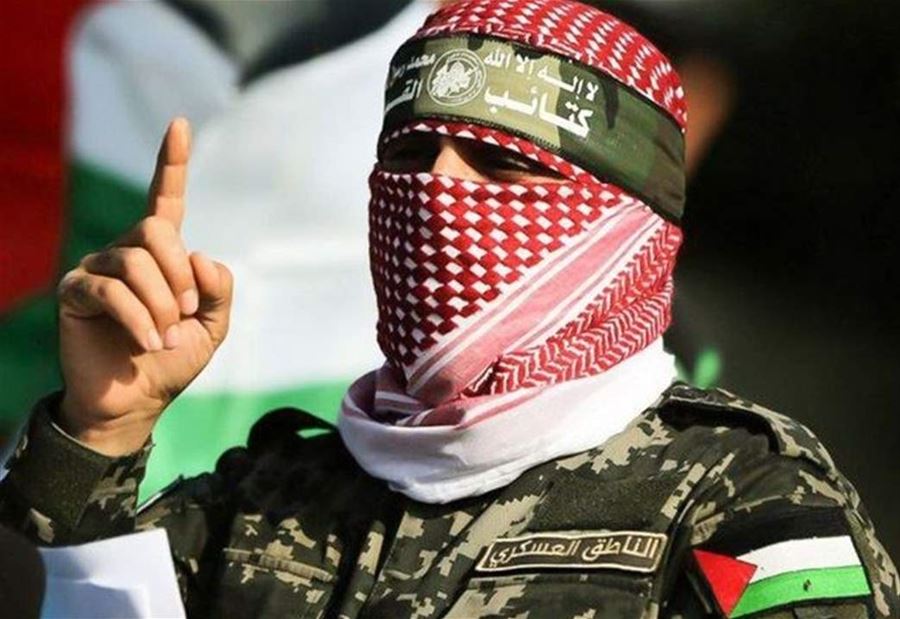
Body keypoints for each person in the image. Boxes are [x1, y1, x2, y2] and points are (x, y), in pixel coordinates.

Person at [1, 0, 897, 616]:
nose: (436, 192)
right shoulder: (270, 494)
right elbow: (77, 588)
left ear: (621, 221)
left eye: (501, 165)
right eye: (411, 153)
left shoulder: (740, 502)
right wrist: (104, 428)